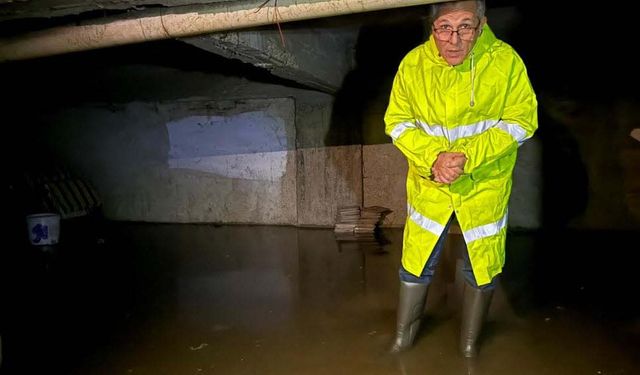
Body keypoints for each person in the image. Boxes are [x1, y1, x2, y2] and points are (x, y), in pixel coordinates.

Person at [384, 0, 538, 357]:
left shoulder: (505, 61)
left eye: (465, 27)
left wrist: (467, 158)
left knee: (479, 263)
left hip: (483, 184)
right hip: (431, 184)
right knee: (418, 260)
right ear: (432, 27)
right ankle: (403, 339)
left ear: (481, 25)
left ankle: (469, 345)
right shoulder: (413, 64)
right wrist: (434, 158)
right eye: (444, 28)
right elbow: (398, 122)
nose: (453, 40)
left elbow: (521, 121)